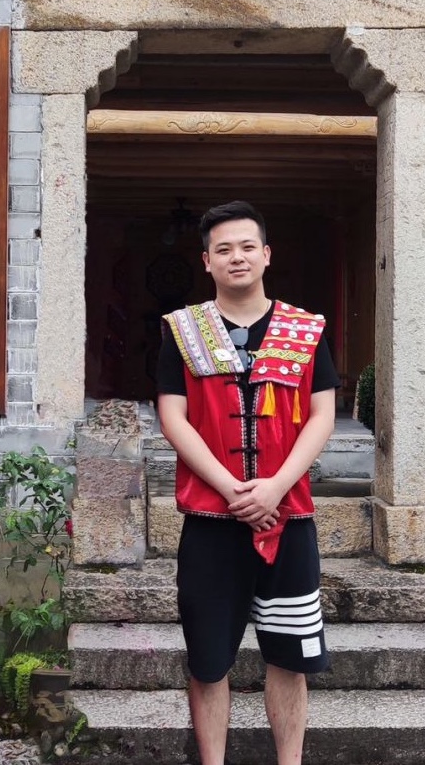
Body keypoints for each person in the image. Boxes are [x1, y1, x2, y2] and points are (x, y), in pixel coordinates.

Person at [156, 200, 339, 765]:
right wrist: (232, 488)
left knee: (289, 658)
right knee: (208, 661)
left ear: (266, 254)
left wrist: (276, 486)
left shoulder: (305, 330)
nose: (236, 257)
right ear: (206, 261)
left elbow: (323, 415)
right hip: (211, 522)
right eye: (223, 249)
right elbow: (173, 417)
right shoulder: (182, 331)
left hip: (290, 518)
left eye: (246, 247)